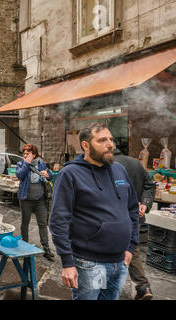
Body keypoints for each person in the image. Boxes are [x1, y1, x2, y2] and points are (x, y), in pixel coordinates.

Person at [49, 122, 139, 300]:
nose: (110, 144)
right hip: (91, 264)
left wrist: (131, 246)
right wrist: (67, 262)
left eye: (111, 139)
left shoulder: (119, 170)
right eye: (102, 140)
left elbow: (133, 209)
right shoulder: (71, 174)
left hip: (120, 262)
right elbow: (59, 220)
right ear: (86, 145)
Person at [114, 148, 156, 300]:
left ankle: (111, 288)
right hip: (135, 215)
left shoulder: (108, 165)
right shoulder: (135, 163)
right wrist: (144, 203)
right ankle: (142, 286)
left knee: (116, 250)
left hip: (117, 217)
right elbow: (150, 185)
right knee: (133, 249)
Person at [16, 144, 55, 261]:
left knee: (42, 223)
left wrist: (48, 175)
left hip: (40, 199)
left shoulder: (41, 163)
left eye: (28, 153)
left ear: (34, 154)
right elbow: (20, 175)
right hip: (26, 199)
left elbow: (50, 175)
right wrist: (26, 163)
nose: (25, 155)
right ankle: (25, 245)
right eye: (24, 153)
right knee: (25, 222)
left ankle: (46, 248)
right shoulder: (21, 164)